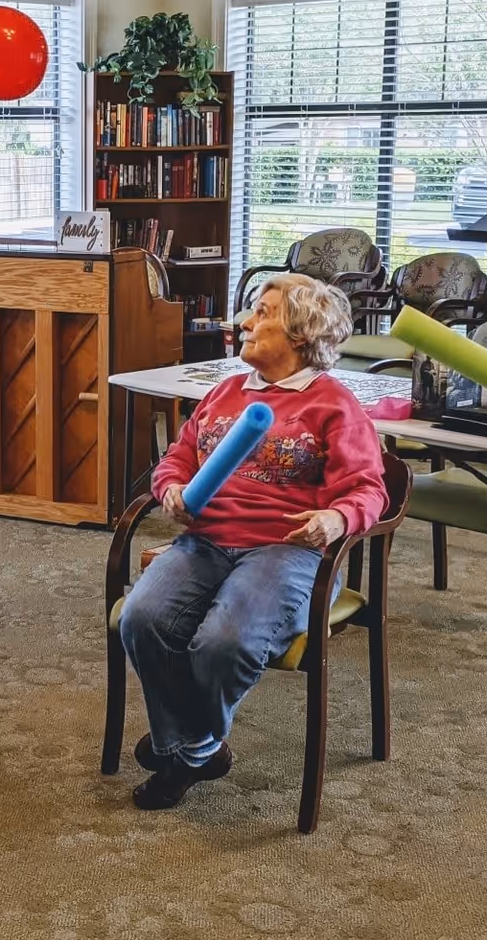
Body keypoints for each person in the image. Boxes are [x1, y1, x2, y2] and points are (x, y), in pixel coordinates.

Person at [120, 272, 388, 810]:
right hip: (207, 539)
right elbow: (179, 457)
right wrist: (171, 487)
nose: (245, 322)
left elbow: (368, 490)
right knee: (140, 619)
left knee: (225, 641)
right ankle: (199, 748)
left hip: (286, 550)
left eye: (262, 313)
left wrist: (335, 521)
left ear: (298, 333)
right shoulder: (226, 392)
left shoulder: (334, 404)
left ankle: (183, 751)